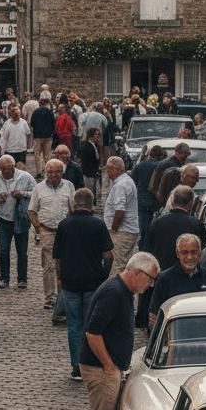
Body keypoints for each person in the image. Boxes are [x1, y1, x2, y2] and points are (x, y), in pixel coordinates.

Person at [79, 251, 160, 410]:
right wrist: (109, 366)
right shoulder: (115, 292)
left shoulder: (123, 290)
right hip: (101, 369)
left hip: (106, 367)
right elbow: (93, 332)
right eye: (150, 279)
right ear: (137, 272)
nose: (150, 285)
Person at [54, 188, 113, 380]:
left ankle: (76, 367)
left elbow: (57, 257)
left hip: (70, 282)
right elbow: (108, 255)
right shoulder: (98, 225)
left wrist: (60, 277)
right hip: (92, 282)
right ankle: (90, 364)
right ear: (92, 204)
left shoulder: (64, 225)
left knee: (74, 325)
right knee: (91, 326)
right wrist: (104, 276)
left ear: (74, 203)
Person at [29, 159, 75, 312]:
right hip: (47, 231)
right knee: (48, 265)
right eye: (50, 172)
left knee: (64, 264)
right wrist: (38, 228)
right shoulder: (38, 189)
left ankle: (64, 295)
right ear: (45, 172)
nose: (54, 175)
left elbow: (73, 209)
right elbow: (32, 211)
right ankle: (50, 296)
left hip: (66, 233)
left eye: (57, 172)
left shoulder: (69, 186)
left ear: (62, 172)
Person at [0, 154, 36, 288]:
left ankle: (22, 279)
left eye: (9, 169)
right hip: (3, 219)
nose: (7, 172)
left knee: (22, 251)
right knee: (4, 251)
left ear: (14, 167)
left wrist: (23, 194)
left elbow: (37, 192)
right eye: (4, 169)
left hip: (20, 218)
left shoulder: (25, 177)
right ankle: (4, 279)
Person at [148, 233, 206, 327]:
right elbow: (154, 315)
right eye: (184, 253)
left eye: (194, 252)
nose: (189, 257)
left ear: (200, 253)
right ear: (177, 253)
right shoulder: (165, 278)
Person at [102, 156, 138, 275]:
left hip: (122, 232)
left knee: (117, 266)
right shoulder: (126, 181)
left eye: (108, 169)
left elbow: (120, 209)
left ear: (114, 169)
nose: (107, 173)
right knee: (123, 264)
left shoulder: (120, 185)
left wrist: (113, 229)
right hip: (128, 230)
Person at [131, 144, 166, 250]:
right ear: (161, 156)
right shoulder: (161, 166)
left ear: (149, 154)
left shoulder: (140, 166)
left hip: (141, 198)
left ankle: (144, 244)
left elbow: (133, 182)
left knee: (143, 223)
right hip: (155, 199)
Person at [150, 142, 191, 209]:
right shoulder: (172, 167)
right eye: (185, 155)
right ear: (178, 153)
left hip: (157, 198)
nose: (186, 158)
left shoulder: (165, 163)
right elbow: (170, 187)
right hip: (163, 201)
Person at [0, 103, 32, 169]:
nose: (16, 112)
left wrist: (28, 146)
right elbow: (4, 139)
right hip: (10, 151)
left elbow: (28, 135)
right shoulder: (7, 124)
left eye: (17, 110)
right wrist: (2, 152)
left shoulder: (23, 123)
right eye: (13, 111)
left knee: (21, 170)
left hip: (21, 151)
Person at [29, 94, 55, 178]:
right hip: (48, 136)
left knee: (37, 155)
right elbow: (53, 124)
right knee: (47, 155)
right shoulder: (49, 112)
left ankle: (38, 172)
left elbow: (32, 125)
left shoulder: (35, 112)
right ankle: (48, 170)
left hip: (37, 136)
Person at [80, 126, 103, 202]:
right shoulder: (87, 146)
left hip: (92, 174)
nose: (98, 137)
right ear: (91, 136)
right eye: (96, 134)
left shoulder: (94, 146)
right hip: (88, 174)